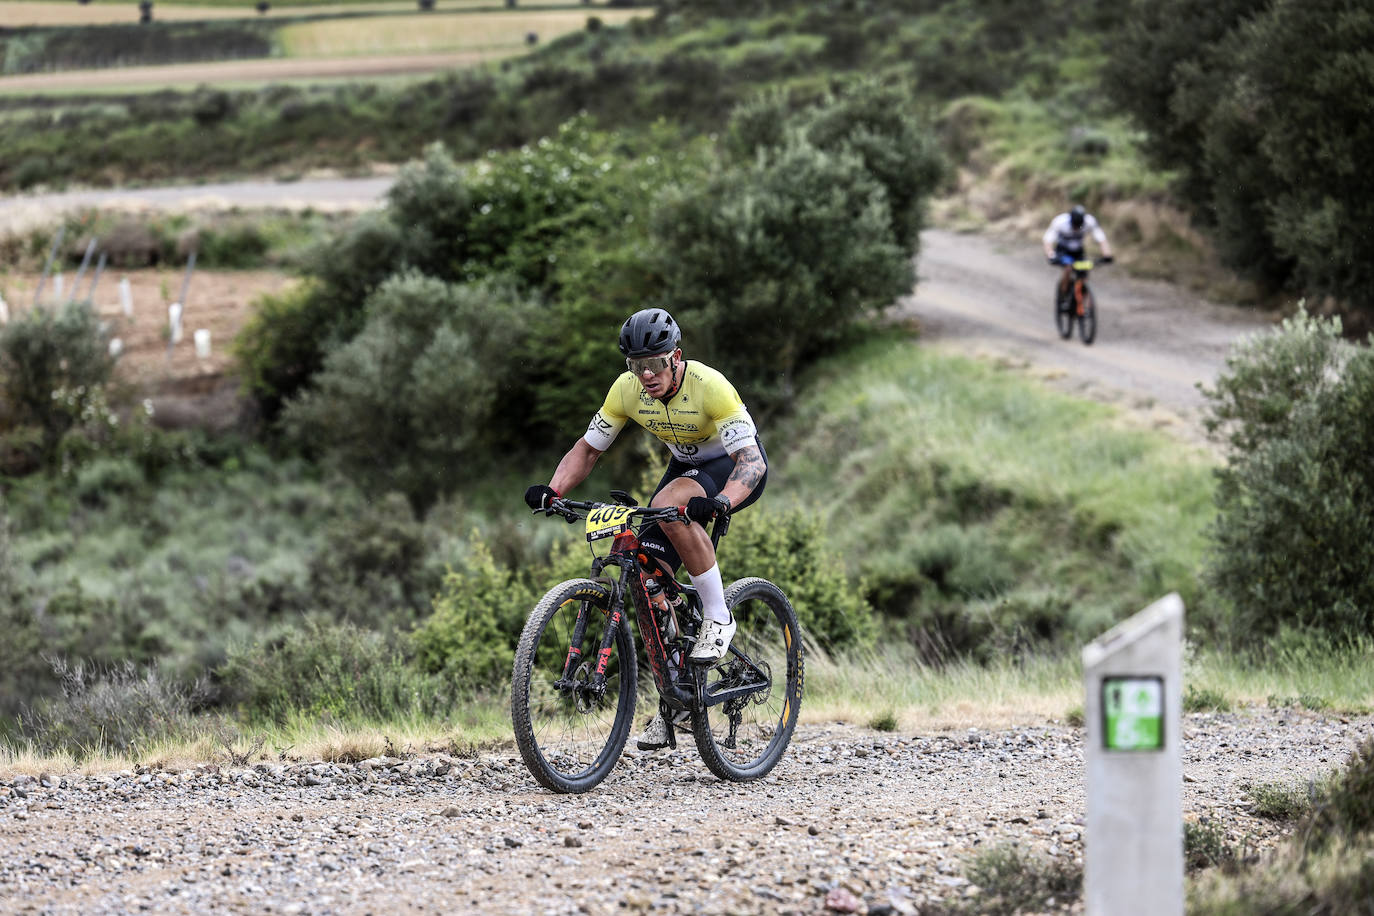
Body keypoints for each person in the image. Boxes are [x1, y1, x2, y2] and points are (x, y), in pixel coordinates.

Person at [524, 308, 769, 751]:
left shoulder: (709, 386)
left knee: (667, 504)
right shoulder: (626, 391)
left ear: (676, 357)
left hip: (730, 466)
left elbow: (750, 461)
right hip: (685, 466)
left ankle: (719, 615)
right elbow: (588, 449)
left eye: (655, 363)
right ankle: (676, 702)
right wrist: (554, 490)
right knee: (647, 574)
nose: (647, 374)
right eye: (636, 366)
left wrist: (721, 502)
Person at [1043, 204, 1113, 304]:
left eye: (1078, 225)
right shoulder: (1060, 222)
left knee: (1083, 271)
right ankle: (1063, 297)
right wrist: (1050, 255)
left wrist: (1107, 254)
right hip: (1063, 250)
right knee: (1068, 267)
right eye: (1074, 225)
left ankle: (1082, 299)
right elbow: (1048, 240)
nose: (1076, 228)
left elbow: (1101, 239)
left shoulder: (1089, 222)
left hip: (1078, 251)